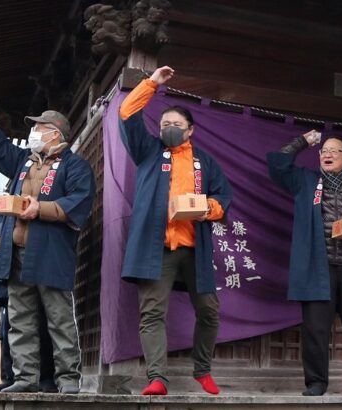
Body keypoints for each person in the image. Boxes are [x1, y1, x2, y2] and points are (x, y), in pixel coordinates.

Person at [0, 84, 95, 393]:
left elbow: (79, 202)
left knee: (59, 319)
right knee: (20, 320)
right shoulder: (24, 161)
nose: (34, 132)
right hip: (16, 251)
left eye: (40, 127)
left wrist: (41, 209)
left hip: (50, 252)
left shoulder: (74, 165)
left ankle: (68, 380)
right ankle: (25, 379)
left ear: (56, 133)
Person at [118, 66, 233, 396]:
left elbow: (223, 196)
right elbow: (127, 113)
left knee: (209, 311)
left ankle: (203, 370)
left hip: (195, 248)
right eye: (165, 124)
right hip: (158, 248)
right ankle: (157, 378)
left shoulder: (205, 162)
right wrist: (151, 83)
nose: (169, 128)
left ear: (190, 130)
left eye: (176, 125)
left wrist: (207, 208)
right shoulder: (149, 151)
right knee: (152, 313)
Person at [267, 131, 342, 396]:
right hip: (317, 268)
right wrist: (303, 142)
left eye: (334, 151)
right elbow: (277, 163)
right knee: (315, 330)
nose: (327, 154)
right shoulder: (306, 181)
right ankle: (316, 383)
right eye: (323, 151)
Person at [0, 214, 57, 393]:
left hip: (38, 262)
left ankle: (46, 377)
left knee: (42, 323)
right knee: (8, 328)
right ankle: (11, 376)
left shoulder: (45, 194)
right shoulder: (10, 192)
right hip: (9, 265)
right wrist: (3, 231)